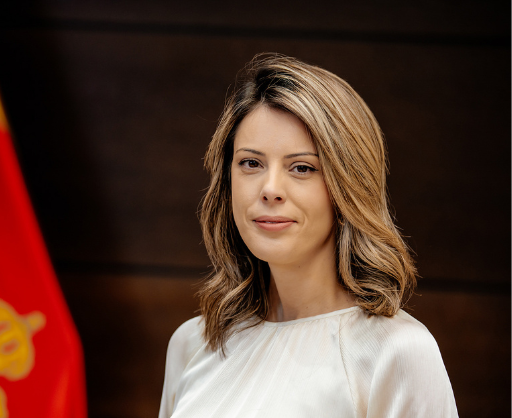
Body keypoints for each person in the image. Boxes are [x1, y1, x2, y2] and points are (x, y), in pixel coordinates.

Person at [158, 53, 457, 418]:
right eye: (251, 163)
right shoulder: (193, 343)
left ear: (348, 186)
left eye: (302, 168)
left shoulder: (398, 353)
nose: (270, 189)